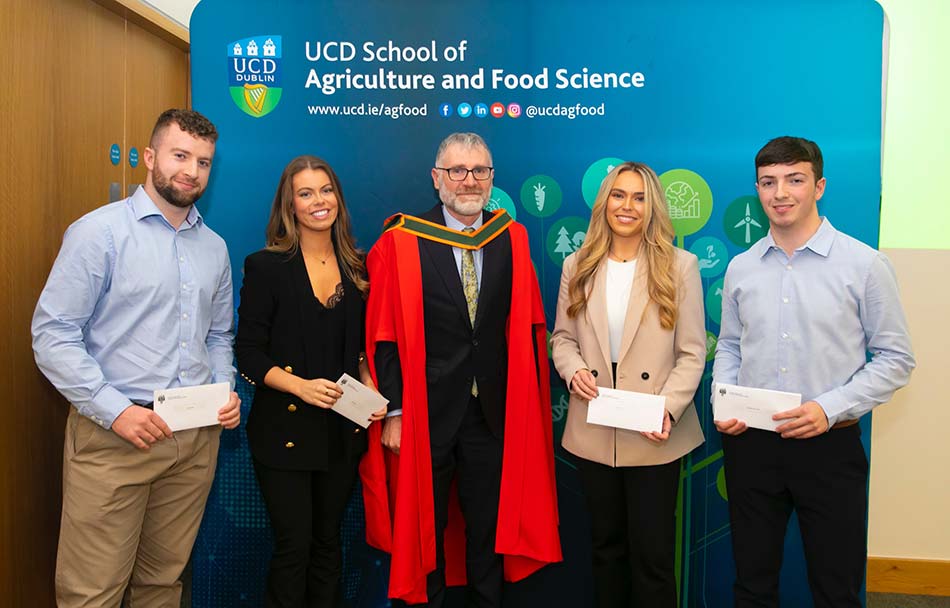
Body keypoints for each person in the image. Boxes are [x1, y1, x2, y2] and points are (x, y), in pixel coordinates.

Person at [31, 108, 241, 607]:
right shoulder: (97, 234)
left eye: (204, 162)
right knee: (92, 594)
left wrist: (224, 386)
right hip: (114, 437)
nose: (191, 170)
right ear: (150, 158)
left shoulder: (215, 248)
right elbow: (52, 334)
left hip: (192, 441)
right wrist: (117, 411)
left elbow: (218, 333)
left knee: (162, 585)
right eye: (180, 156)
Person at [359, 133, 562, 606]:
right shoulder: (402, 240)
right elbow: (384, 334)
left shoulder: (510, 237)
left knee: (489, 529)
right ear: (436, 178)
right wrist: (395, 410)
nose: (469, 181)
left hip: (491, 413)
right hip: (425, 412)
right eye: (457, 171)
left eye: (480, 171)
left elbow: (526, 325)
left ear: (492, 178)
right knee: (425, 531)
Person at [713, 136, 916, 607]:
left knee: (835, 586)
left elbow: (895, 358)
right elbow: (729, 345)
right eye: (768, 182)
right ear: (757, 190)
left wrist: (828, 409)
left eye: (794, 180)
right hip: (752, 446)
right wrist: (724, 399)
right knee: (752, 582)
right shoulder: (743, 268)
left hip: (830, 447)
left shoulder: (864, 264)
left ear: (819, 186)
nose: (780, 193)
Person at [550, 162, 706, 607]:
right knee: (605, 551)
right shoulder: (577, 264)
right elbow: (561, 338)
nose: (628, 206)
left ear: (652, 205)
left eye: (639, 197)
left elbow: (692, 351)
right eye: (619, 195)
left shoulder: (680, 266)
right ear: (605, 202)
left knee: (654, 559)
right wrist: (572, 367)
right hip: (594, 430)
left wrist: (667, 409)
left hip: (653, 432)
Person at [235, 155, 386, 607]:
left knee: (327, 547)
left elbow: (360, 349)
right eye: (306, 193)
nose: (319, 201)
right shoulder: (265, 267)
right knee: (293, 549)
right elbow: (247, 353)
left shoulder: (360, 267)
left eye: (326, 190)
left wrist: (370, 388)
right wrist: (299, 386)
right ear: (290, 204)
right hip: (283, 431)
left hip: (341, 430)